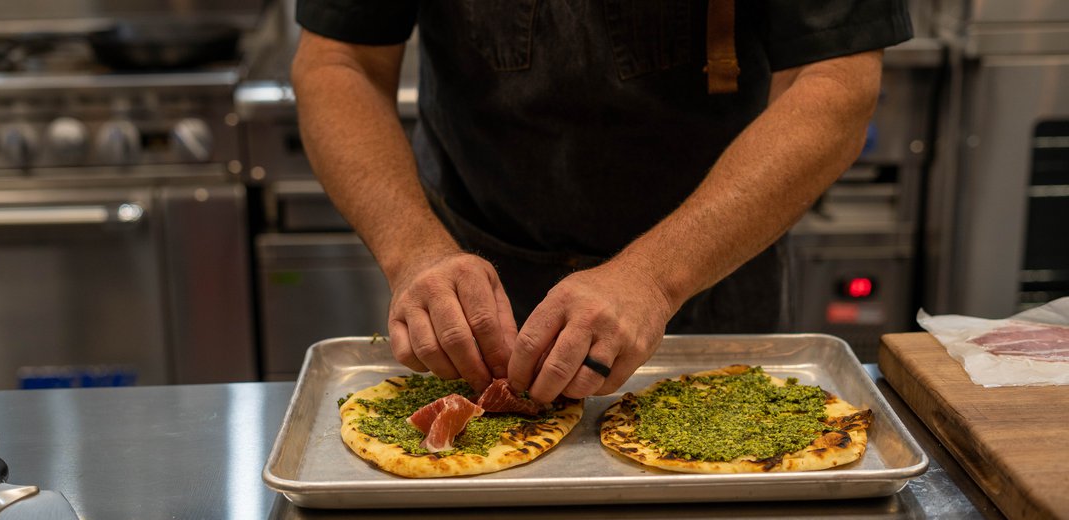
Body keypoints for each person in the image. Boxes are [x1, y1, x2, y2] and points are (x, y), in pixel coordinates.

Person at [291, 1, 912, 403]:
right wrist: (414, 253)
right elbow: (337, 62)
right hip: (467, 291)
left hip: (708, 285)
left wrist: (653, 279)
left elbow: (834, 83)